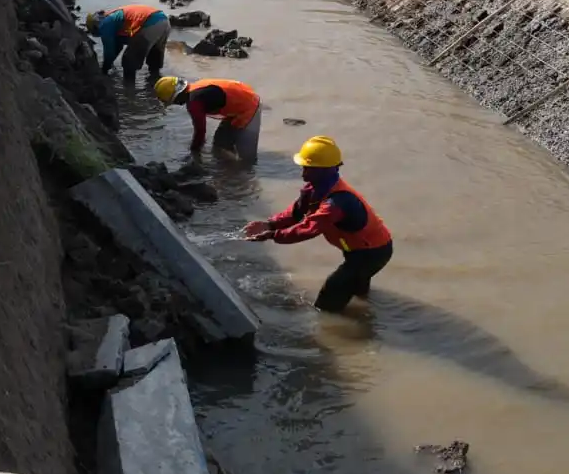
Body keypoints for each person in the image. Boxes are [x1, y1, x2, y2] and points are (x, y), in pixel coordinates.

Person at [243, 136, 394, 313]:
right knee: (356, 288)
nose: (302, 173)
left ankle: (334, 331)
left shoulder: (337, 202)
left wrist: (273, 235)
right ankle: (364, 314)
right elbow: (296, 214)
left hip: (371, 253)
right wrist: (270, 224)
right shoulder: (314, 189)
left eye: (308, 168)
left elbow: (308, 229)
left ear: (324, 170)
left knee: (329, 298)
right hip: (358, 249)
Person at [154, 76, 261, 164]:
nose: (174, 104)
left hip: (249, 107)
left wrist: (194, 152)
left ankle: (245, 182)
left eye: (172, 101)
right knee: (220, 144)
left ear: (176, 96)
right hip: (241, 101)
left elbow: (200, 131)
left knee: (247, 159)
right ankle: (228, 174)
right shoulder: (196, 86)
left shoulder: (194, 103)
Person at [87, 4, 169, 81]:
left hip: (150, 23)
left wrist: (104, 70)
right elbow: (117, 47)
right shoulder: (116, 17)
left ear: (95, 26)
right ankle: (153, 89)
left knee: (129, 62)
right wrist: (110, 62)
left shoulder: (105, 24)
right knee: (154, 62)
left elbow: (109, 51)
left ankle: (129, 92)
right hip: (164, 21)